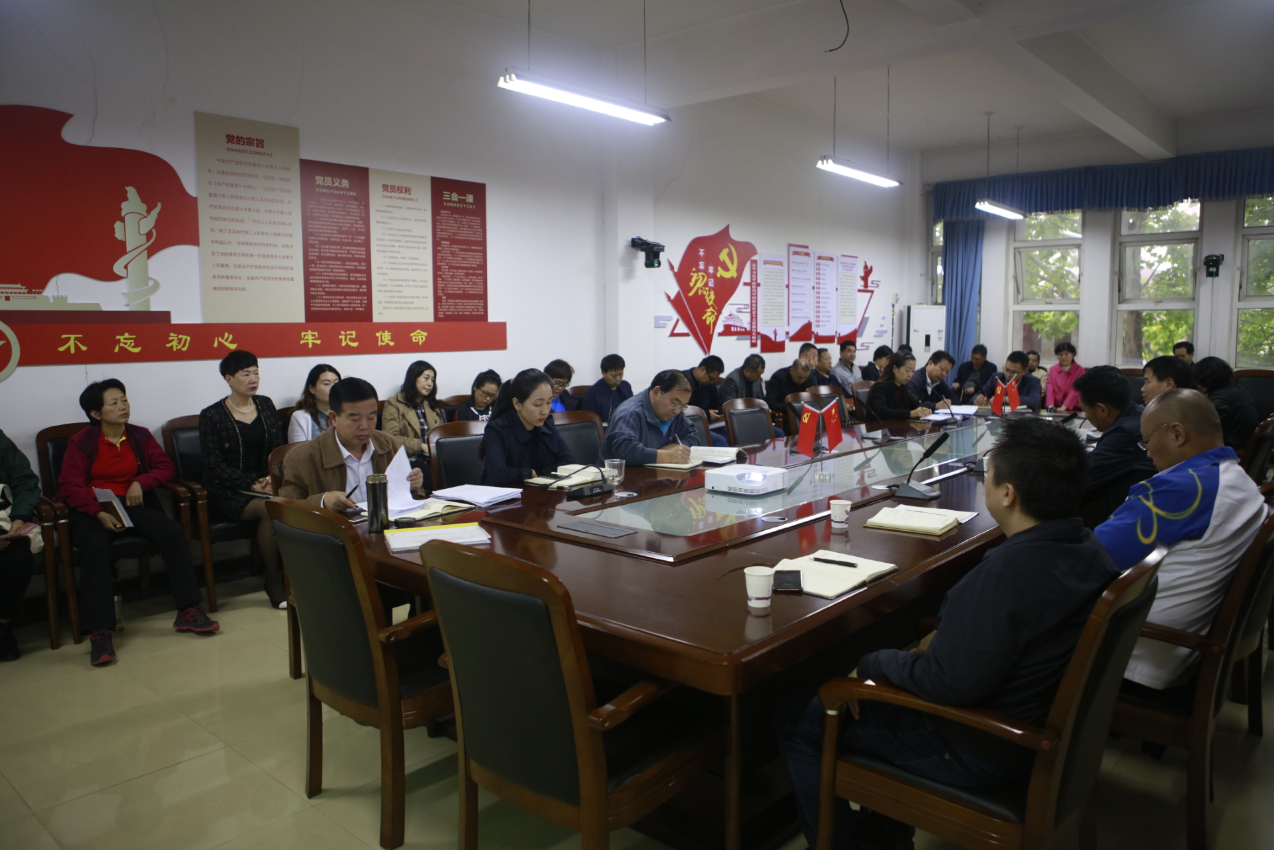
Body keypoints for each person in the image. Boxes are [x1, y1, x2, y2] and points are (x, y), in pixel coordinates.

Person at [778, 418, 1110, 850]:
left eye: (990, 471)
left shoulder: (1006, 574)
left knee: (800, 716)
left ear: (1008, 494)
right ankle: (886, 835)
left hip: (981, 746)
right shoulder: (1088, 547)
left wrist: (873, 662)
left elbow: (949, 683)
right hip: (1039, 728)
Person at [1096, 389, 1267, 691]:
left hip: (1134, 652)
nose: (1147, 453)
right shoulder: (1239, 480)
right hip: (1181, 647)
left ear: (1177, 434)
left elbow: (1092, 558)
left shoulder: (1185, 490)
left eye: (1147, 442)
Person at [61, 380, 219, 666]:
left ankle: (188, 610)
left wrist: (140, 482)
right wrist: (98, 513)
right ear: (95, 413)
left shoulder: (139, 435)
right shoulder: (81, 442)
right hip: (92, 509)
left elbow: (166, 467)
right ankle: (100, 631)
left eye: (124, 400)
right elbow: (69, 486)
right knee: (95, 547)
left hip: (130, 504)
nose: (123, 407)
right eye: (114, 403)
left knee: (171, 532)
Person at [199, 351, 286, 609]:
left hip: (264, 485)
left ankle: (301, 574)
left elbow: (278, 450)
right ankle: (273, 579)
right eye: (245, 374)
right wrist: (251, 482)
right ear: (228, 379)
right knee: (270, 509)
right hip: (225, 491)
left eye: (256, 372)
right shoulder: (212, 415)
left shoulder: (266, 404)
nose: (253, 379)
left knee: (297, 501)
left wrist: (269, 478)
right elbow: (213, 465)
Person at [280, 378, 427, 509]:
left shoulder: (390, 445)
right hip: (336, 530)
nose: (364, 426)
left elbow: (413, 500)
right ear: (333, 418)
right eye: (355, 419)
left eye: (371, 417)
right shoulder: (301, 457)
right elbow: (288, 509)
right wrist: (323, 501)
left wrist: (413, 486)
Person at [1073, 365, 1157, 518]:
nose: (1086, 416)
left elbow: (1079, 477)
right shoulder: (1138, 414)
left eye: (1085, 411)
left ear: (1102, 410)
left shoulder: (1124, 434)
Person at [481, 369, 576, 486]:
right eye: (537, 404)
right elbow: (499, 474)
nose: (545, 411)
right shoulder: (497, 429)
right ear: (517, 404)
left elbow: (569, 462)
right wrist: (528, 473)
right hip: (507, 494)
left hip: (542, 491)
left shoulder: (547, 423)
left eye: (549, 402)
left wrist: (540, 473)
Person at [0, 429, 43, 662]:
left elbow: (25, 481)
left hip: (4, 518)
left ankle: (3, 626)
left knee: (17, 555)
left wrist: (19, 518)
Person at [598, 370, 700, 467]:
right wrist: (668, 456)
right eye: (675, 403)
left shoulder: (674, 412)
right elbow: (625, 451)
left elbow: (693, 437)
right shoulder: (629, 413)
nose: (677, 411)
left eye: (683, 406)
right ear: (656, 392)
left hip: (657, 475)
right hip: (619, 477)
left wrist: (674, 449)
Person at [381, 360, 445, 475]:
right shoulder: (394, 404)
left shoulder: (431, 405)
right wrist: (421, 446)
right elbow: (390, 438)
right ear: (413, 378)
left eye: (432, 380)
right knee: (431, 474)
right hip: (410, 459)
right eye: (426, 378)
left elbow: (442, 433)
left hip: (434, 457)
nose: (430, 383)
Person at [1192, 356, 1258, 451]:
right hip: (1244, 444)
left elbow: (1202, 427)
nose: (1200, 386)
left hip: (1233, 449)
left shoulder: (1220, 398)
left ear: (1206, 380)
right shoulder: (1238, 389)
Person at [866, 353, 931, 421]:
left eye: (912, 371)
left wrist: (922, 409)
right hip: (879, 426)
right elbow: (881, 411)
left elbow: (914, 404)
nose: (910, 375)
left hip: (898, 426)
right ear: (895, 368)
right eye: (907, 370)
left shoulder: (902, 387)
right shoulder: (880, 387)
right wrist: (910, 414)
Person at [287, 363, 341, 443]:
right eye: (326, 384)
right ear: (312, 388)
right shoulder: (300, 417)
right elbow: (297, 450)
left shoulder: (346, 413)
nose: (333, 388)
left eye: (336, 383)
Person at [973, 351, 1042, 411]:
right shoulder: (996, 377)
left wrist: (1004, 398)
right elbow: (978, 394)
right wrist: (978, 399)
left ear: (1025, 371)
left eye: (1014, 372)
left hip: (1021, 419)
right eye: (1007, 369)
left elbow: (1034, 400)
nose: (1008, 374)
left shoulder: (1033, 381)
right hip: (997, 418)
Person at [582, 354, 634, 425]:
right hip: (604, 428)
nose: (618, 378)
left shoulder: (626, 386)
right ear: (603, 372)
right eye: (613, 376)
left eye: (620, 374)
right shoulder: (592, 393)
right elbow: (589, 421)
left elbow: (632, 408)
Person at [1045, 341, 1085, 410]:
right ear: (1057, 356)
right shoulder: (1053, 369)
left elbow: (1075, 390)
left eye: (1067, 354)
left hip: (1073, 405)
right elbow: (1050, 387)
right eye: (1060, 354)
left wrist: (1064, 407)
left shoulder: (1080, 370)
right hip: (1056, 404)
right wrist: (1050, 405)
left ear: (1073, 354)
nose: (1063, 357)